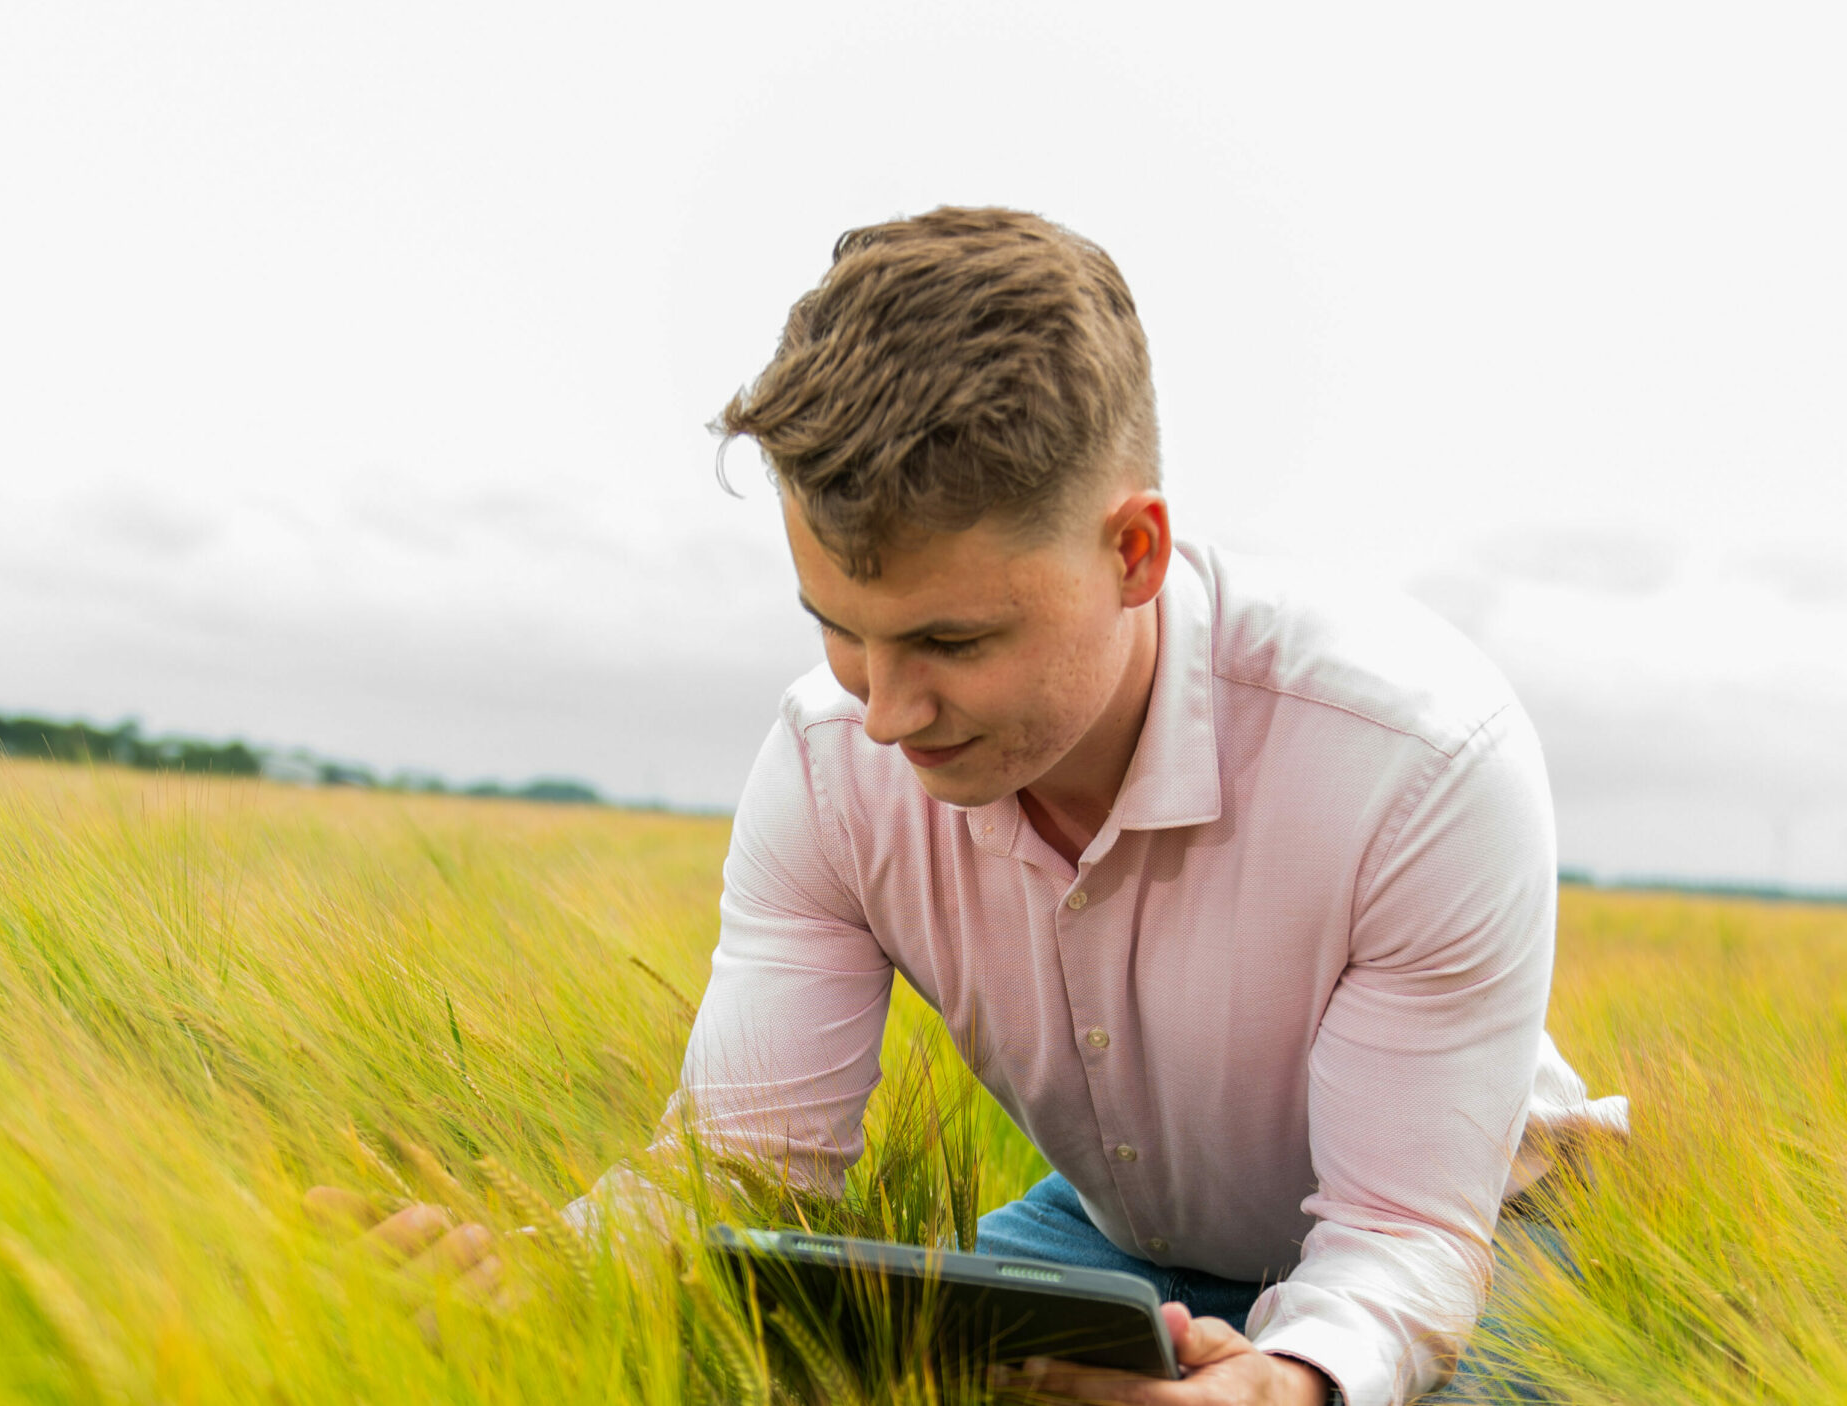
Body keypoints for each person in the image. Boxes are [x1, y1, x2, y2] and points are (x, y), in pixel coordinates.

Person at [309, 207, 1630, 1406]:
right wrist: (535, 1273)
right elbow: (744, 1167)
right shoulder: (828, 765)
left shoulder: (1418, 757)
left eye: (948, 641)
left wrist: (1281, 1383)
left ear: (1135, 551)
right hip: (1117, 1249)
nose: (884, 712)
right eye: (839, 630)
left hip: (1480, 1243)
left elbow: (1403, 1234)